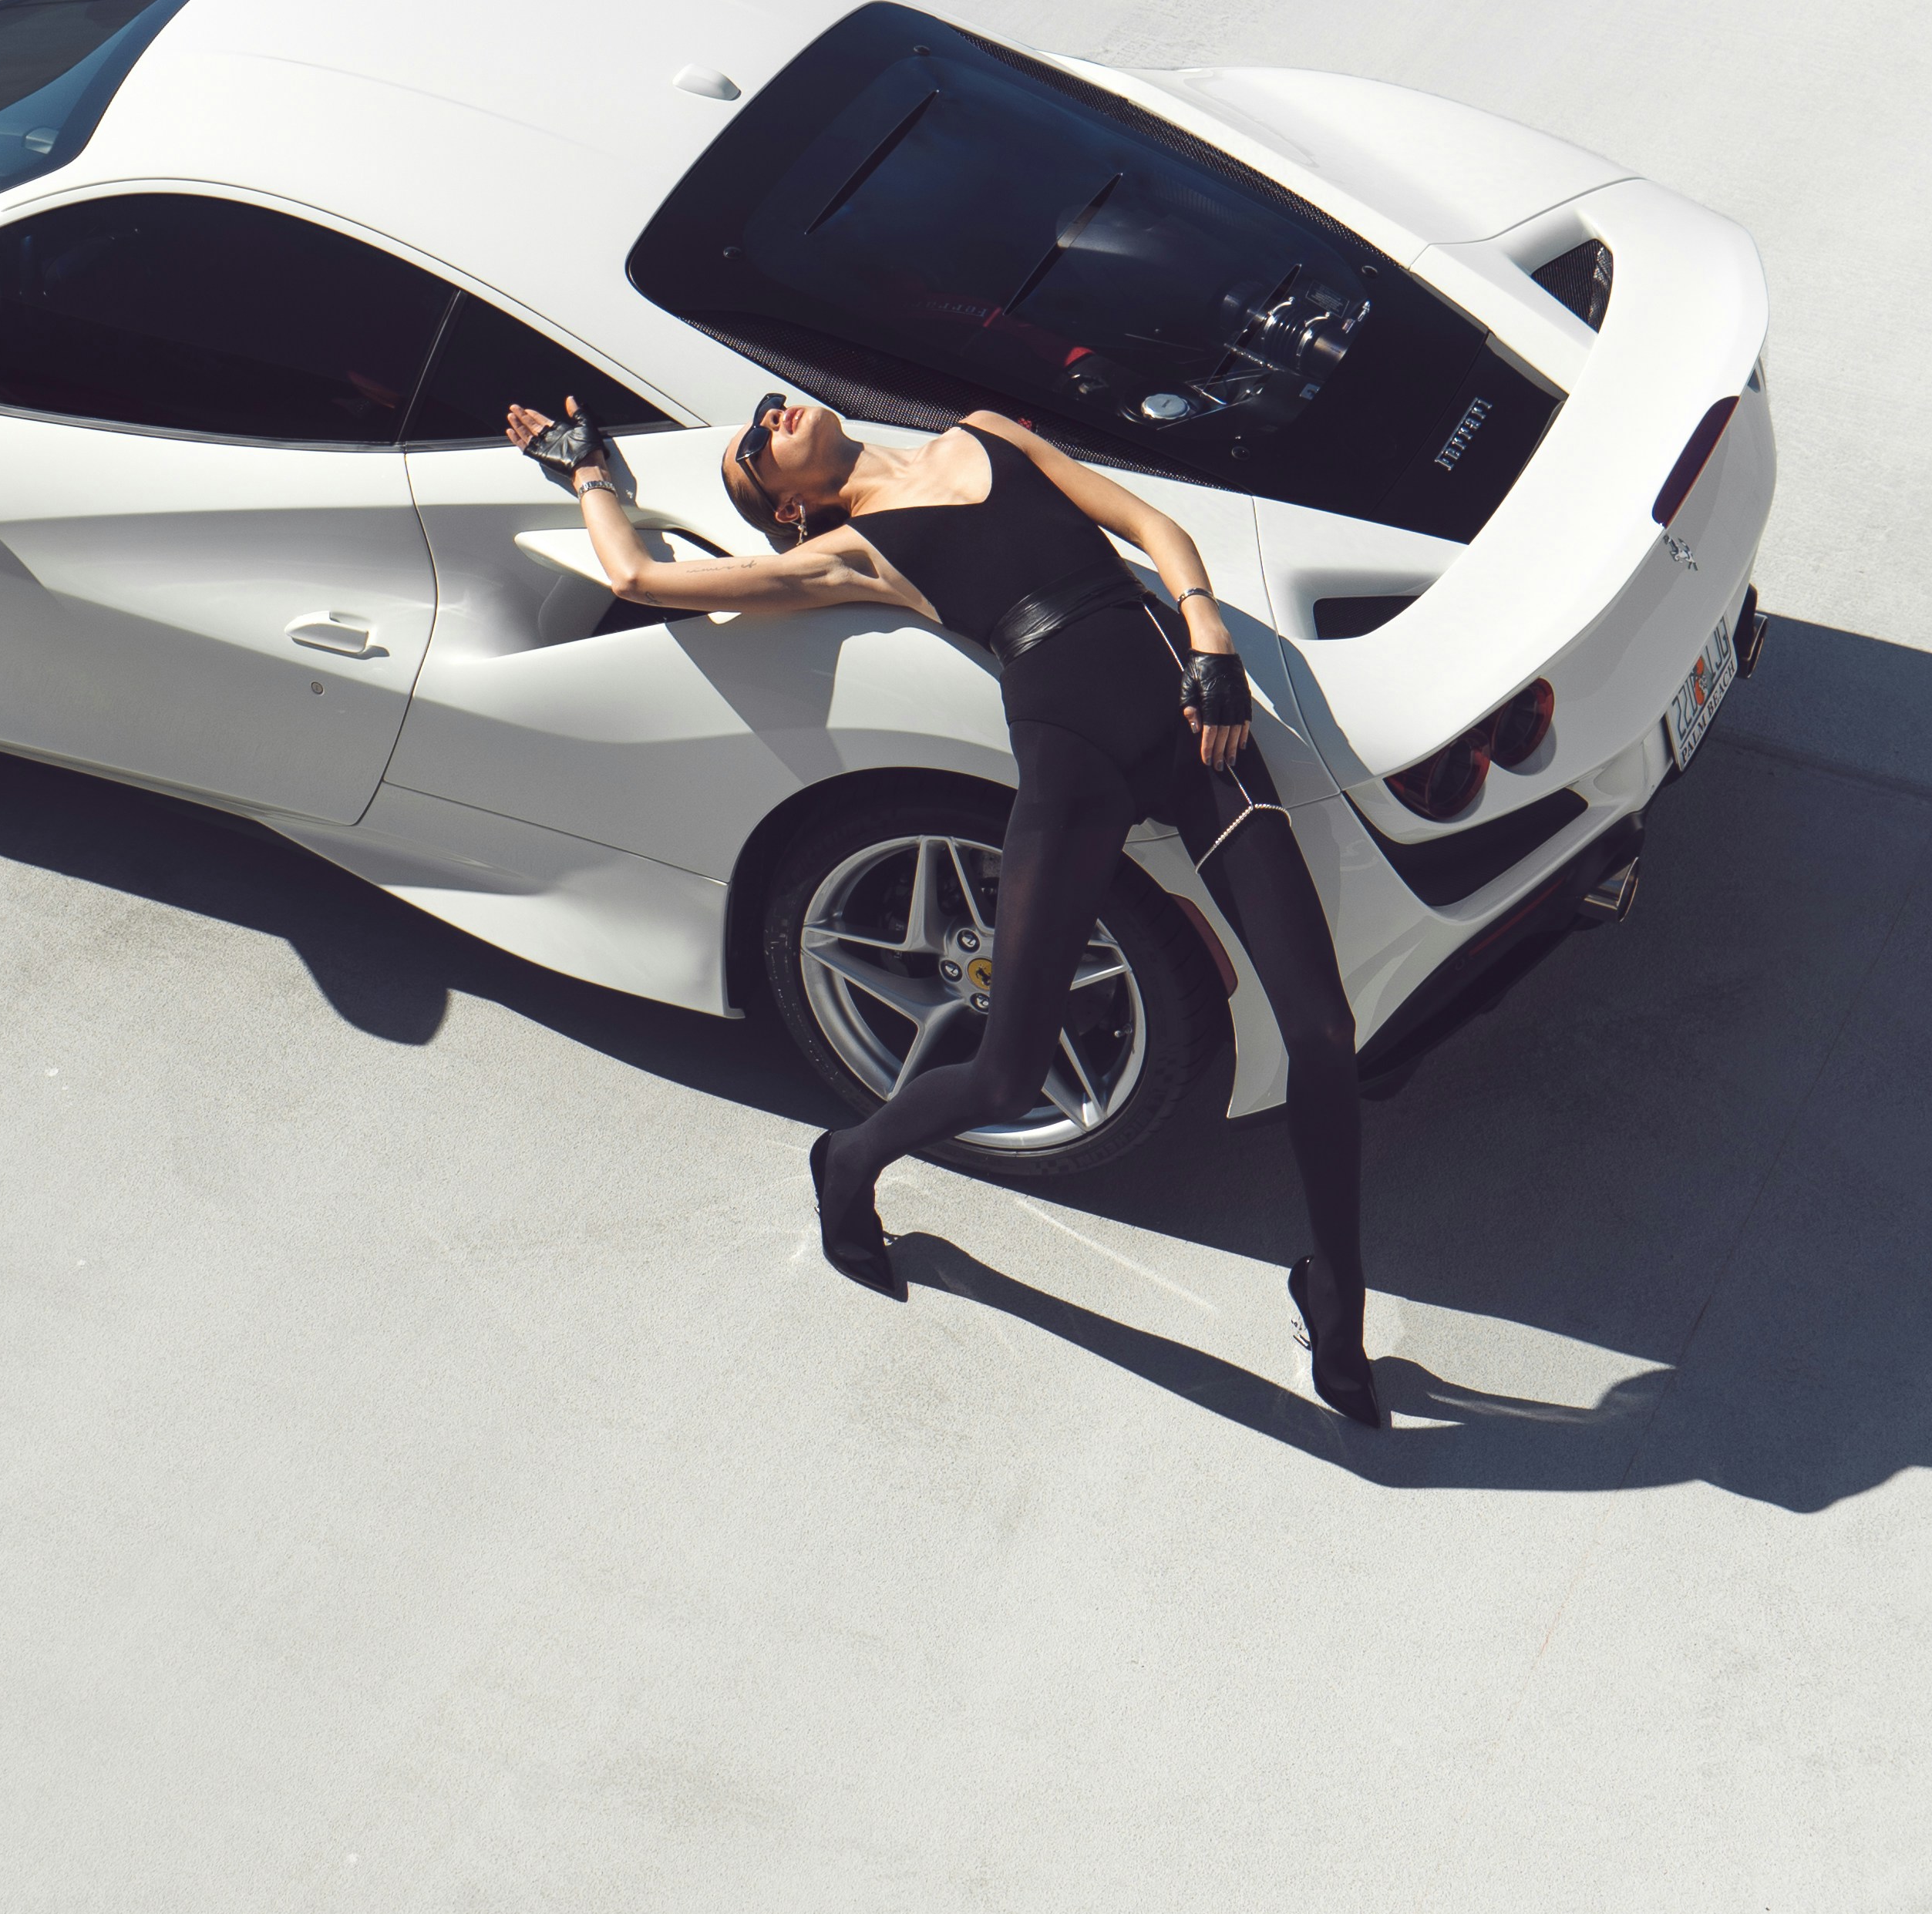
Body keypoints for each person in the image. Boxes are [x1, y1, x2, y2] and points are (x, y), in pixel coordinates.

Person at [505, 388, 1386, 1431]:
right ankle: (849, 1158)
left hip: (1202, 730)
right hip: (1075, 769)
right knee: (1009, 1069)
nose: (770, 414)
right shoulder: (850, 554)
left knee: (1322, 1033)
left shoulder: (985, 431)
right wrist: (587, 471)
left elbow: (1150, 527)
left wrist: (1207, 638)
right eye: (756, 445)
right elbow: (637, 575)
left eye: (766, 406)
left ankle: (1334, 1298)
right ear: (790, 509)